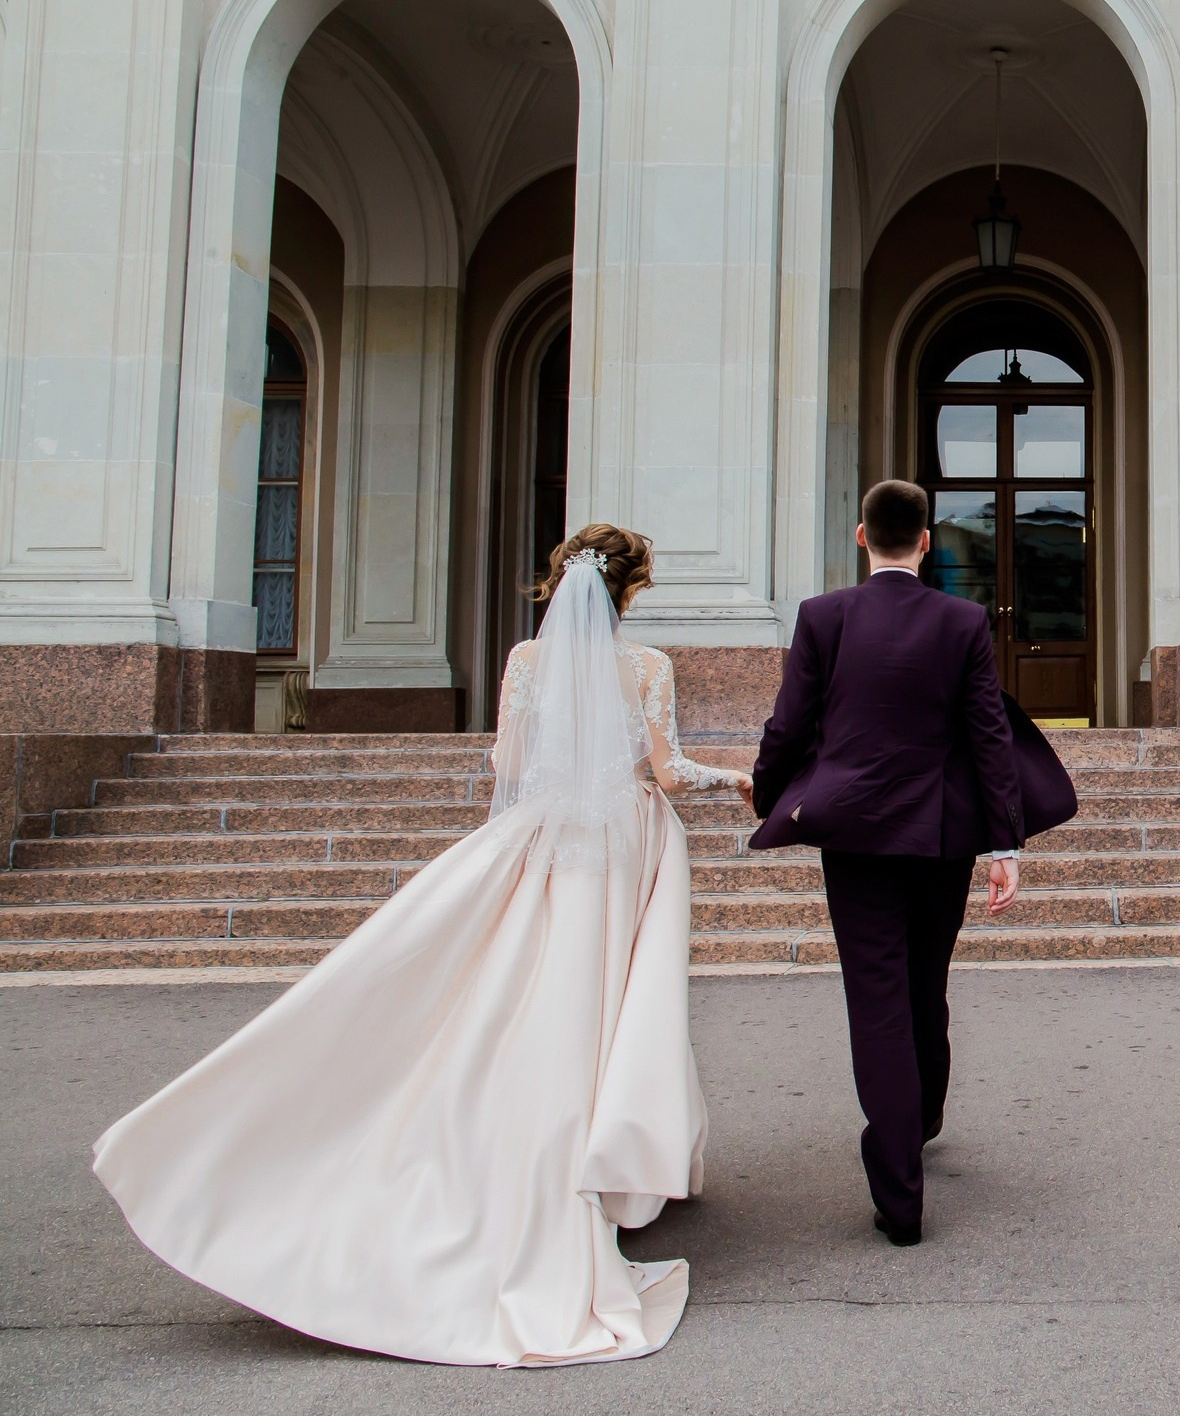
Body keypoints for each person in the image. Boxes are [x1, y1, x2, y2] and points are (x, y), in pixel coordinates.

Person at [92, 525, 748, 1367]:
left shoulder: (523, 662)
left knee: (534, 995)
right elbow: (664, 771)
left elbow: (507, 758)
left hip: (543, 840)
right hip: (627, 844)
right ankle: (612, 1161)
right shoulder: (648, 667)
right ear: (632, 590)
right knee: (615, 1001)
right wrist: (731, 775)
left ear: (563, 582)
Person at [748, 478, 1025, 1247]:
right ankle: (923, 1113)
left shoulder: (823, 616)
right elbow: (988, 735)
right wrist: (1004, 843)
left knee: (877, 997)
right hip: (942, 837)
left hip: (857, 835)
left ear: (862, 537)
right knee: (924, 982)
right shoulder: (963, 620)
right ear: (927, 541)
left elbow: (789, 722)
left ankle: (900, 1188)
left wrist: (767, 793)